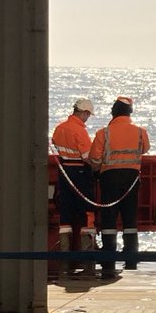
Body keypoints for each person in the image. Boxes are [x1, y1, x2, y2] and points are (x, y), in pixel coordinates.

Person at [89, 95, 150, 277]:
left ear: (113, 112)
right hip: (131, 179)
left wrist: (97, 170)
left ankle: (109, 257)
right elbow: (145, 148)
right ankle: (131, 257)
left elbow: (94, 158)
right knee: (130, 218)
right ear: (129, 113)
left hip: (109, 178)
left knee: (109, 218)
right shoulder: (140, 132)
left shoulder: (103, 133)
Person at [51, 97, 95, 272]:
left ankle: (64, 255)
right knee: (87, 212)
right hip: (80, 173)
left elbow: (55, 145)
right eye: (88, 115)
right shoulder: (79, 131)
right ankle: (87, 256)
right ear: (84, 113)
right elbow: (88, 157)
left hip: (64, 173)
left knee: (66, 213)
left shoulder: (60, 128)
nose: (87, 118)